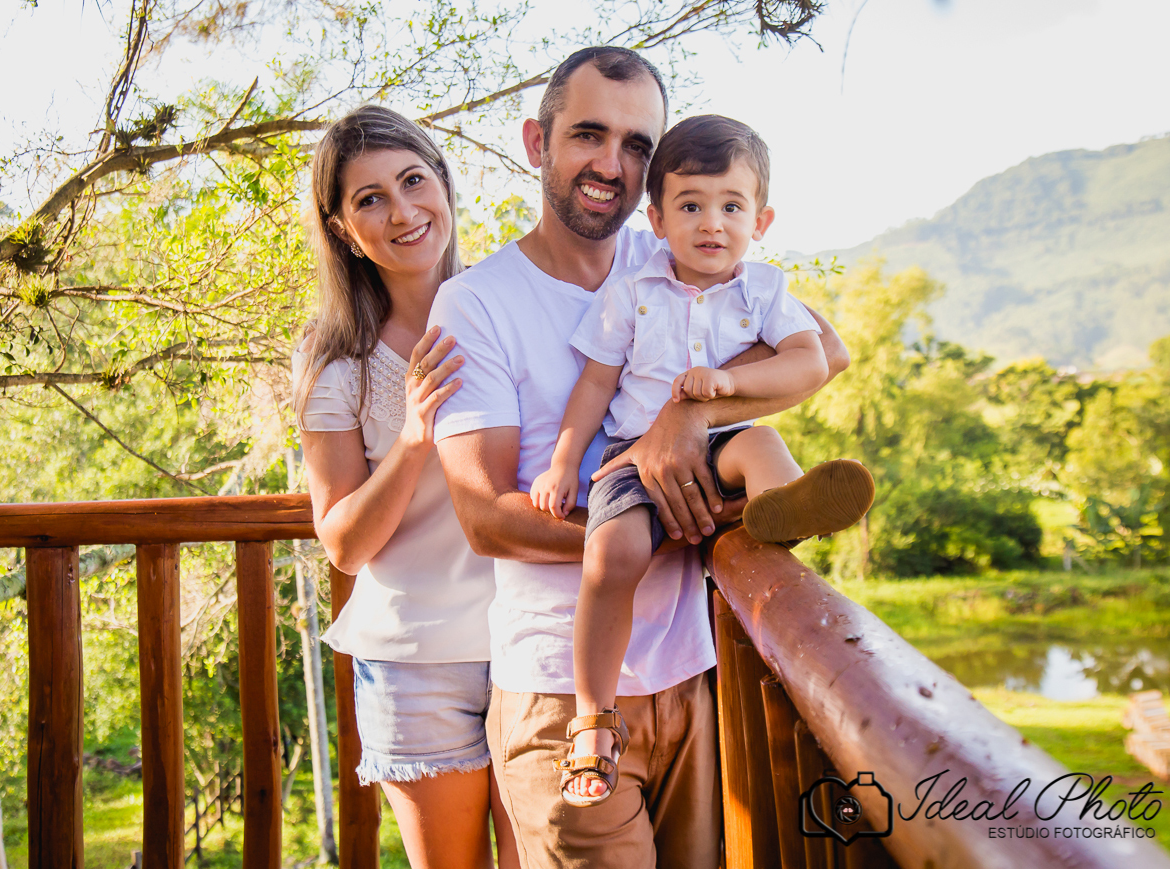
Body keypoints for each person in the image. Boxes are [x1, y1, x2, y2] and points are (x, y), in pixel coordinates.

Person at [429, 48, 850, 868]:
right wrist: (665, 524)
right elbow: (485, 519)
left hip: (691, 669)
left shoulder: (682, 252)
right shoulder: (476, 303)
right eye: (589, 135)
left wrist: (688, 415)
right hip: (562, 690)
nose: (611, 164)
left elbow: (824, 352)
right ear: (536, 141)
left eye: (636, 146)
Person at [529, 114, 875, 806]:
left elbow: (809, 361)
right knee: (611, 558)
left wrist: (730, 384)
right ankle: (593, 718)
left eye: (731, 206)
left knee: (762, 444)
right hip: (633, 455)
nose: (711, 223)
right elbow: (595, 382)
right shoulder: (633, 290)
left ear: (761, 219)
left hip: (727, 440)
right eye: (690, 206)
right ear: (657, 219)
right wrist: (565, 460)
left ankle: (782, 510)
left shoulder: (765, 292)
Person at [292, 104, 518, 869]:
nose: (402, 211)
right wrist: (416, 438)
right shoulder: (338, 362)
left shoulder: (510, 309)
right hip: (416, 663)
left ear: (445, 186)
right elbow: (345, 543)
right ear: (341, 228)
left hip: (534, 644)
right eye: (369, 199)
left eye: (413, 180)